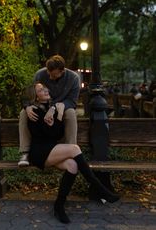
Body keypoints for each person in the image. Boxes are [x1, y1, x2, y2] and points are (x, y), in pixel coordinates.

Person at [26, 82, 119, 224]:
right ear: (35, 96)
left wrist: (59, 113)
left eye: (45, 88)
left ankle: (59, 206)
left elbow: (56, 134)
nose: (45, 90)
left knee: (72, 166)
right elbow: (44, 133)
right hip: (38, 152)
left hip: (51, 150)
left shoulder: (52, 108)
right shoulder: (33, 111)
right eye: (40, 90)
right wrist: (51, 117)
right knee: (74, 148)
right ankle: (99, 188)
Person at [18, 54, 80, 166]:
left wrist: (54, 107)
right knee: (23, 113)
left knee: (71, 112)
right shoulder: (40, 74)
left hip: (62, 108)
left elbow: (72, 101)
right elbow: (28, 94)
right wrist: (27, 106)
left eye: (54, 75)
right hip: (41, 107)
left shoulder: (74, 78)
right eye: (49, 73)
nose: (50, 77)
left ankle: (72, 149)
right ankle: (25, 153)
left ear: (62, 71)